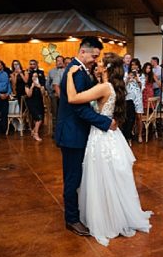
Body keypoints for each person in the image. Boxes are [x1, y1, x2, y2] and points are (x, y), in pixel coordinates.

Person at [65, 51, 151, 246]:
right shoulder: (111, 87)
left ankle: (105, 219)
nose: (98, 64)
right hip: (110, 136)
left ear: (107, 68)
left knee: (101, 177)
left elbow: (73, 98)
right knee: (110, 178)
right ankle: (115, 214)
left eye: (101, 62)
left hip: (100, 137)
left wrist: (69, 74)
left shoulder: (104, 87)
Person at [24, 59, 46, 141]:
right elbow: (29, 95)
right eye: (33, 76)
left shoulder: (40, 83)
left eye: (36, 76)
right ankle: (36, 134)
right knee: (38, 118)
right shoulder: (27, 84)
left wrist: (39, 86)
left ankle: (33, 131)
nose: (34, 77)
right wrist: (32, 87)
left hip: (39, 101)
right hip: (31, 102)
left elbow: (43, 93)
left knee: (41, 117)